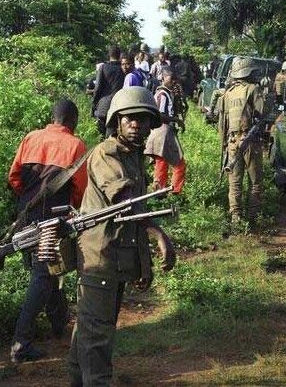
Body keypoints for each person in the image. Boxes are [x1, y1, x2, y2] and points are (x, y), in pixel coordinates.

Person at [68, 87, 176, 386]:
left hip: (114, 257)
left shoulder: (134, 156)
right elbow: (125, 201)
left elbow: (131, 217)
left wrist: (144, 264)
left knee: (92, 330)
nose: (136, 124)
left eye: (142, 119)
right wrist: (158, 233)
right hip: (98, 258)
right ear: (116, 121)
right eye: (129, 118)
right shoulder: (107, 153)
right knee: (97, 338)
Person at [8, 99, 88, 363]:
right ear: (72, 121)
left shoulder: (31, 137)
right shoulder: (75, 145)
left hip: (27, 214)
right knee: (44, 275)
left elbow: (14, 177)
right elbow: (80, 189)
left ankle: (58, 325)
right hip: (55, 217)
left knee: (47, 269)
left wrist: (29, 202)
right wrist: (69, 211)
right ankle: (21, 342)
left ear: (53, 117)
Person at [217, 57, 265, 223]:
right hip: (250, 141)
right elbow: (262, 112)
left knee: (235, 182)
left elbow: (222, 124)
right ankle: (252, 218)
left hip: (232, 142)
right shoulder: (253, 89)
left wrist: (223, 145)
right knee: (255, 182)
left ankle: (236, 217)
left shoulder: (227, 94)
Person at [145, 67, 187, 194]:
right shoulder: (162, 94)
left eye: (175, 78)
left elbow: (178, 109)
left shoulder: (168, 93)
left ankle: (159, 191)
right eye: (170, 78)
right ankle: (175, 191)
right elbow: (160, 115)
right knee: (178, 163)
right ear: (163, 78)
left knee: (161, 162)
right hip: (163, 131)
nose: (173, 81)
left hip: (163, 132)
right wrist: (177, 120)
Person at [92, 45, 125, 133]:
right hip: (118, 107)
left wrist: (94, 105)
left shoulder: (103, 68)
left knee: (100, 138)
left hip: (103, 107)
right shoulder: (123, 69)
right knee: (112, 138)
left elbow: (97, 88)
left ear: (109, 55)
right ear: (119, 55)